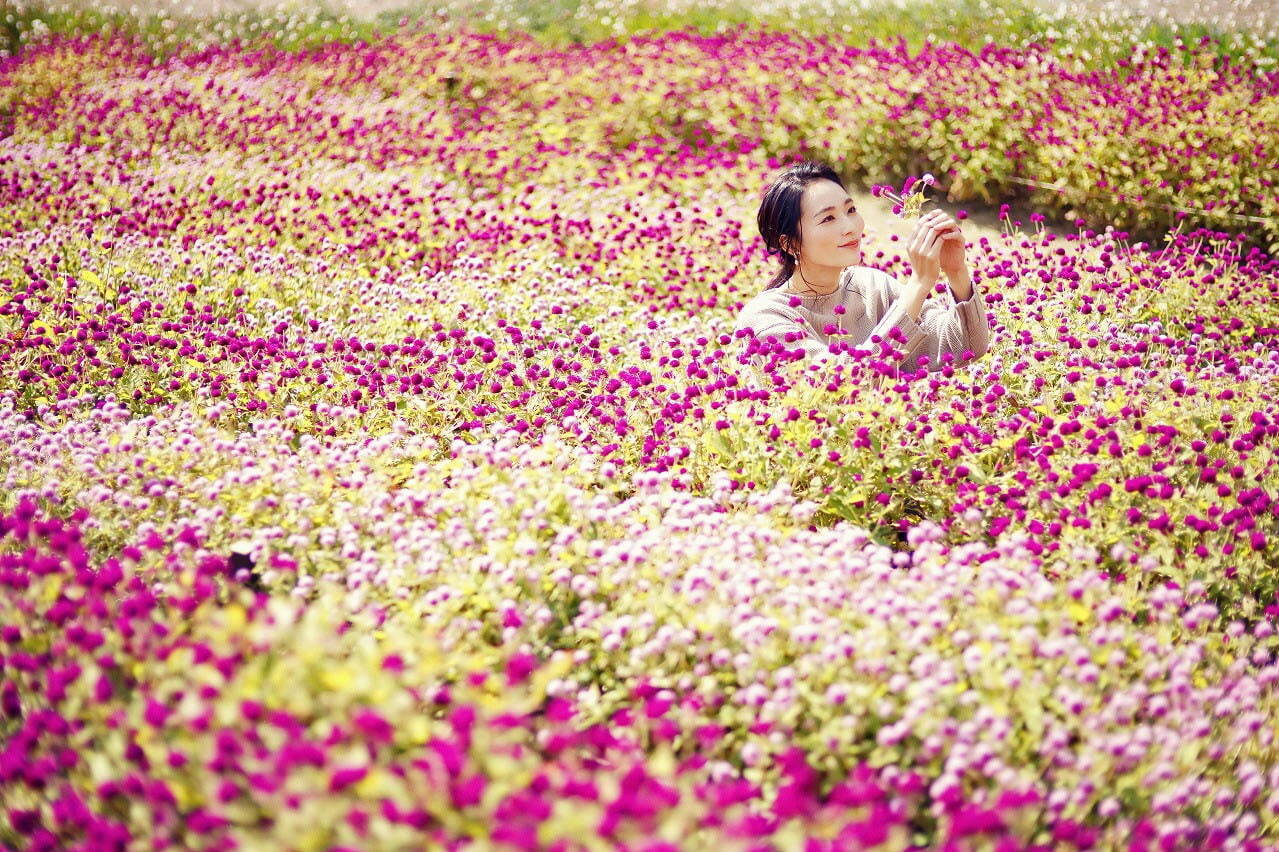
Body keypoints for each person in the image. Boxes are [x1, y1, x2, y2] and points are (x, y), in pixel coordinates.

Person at [735, 160, 990, 376]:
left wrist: (956, 272)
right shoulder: (765, 319)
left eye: (851, 210)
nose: (850, 226)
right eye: (828, 218)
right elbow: (844, 388)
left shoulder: (872, 287)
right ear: (789, 244)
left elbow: (966, 347)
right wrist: (917, 286)